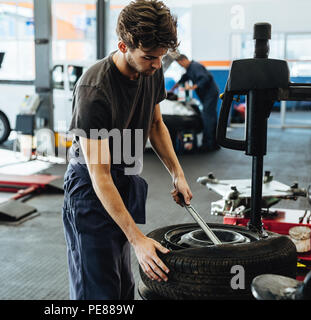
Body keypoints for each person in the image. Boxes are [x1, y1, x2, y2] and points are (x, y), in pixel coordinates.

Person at [62, 0, 193, 300]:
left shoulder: (151, 68)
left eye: (161, 57)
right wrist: (137, 240)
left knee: (123, 290)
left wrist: (177, 173)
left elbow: (156, 123)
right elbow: (100, 177)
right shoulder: (94, 91)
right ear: (123, 46)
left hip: (123, 180)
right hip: (91, 191)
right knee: (98, 295)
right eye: (150, 57)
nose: (158, 65)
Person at [171, 54, 220, 151]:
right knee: (210, 116)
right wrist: (173, 88)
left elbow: (205, 78)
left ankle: (208, 145)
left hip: (210, 94)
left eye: (180, 64)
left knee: (208, 117)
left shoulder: (195, 66)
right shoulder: (189, 69)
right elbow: (183, 79)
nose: (181, 66)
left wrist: (193, 87)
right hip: (206, 95)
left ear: (184, 60)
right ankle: (213, 144)